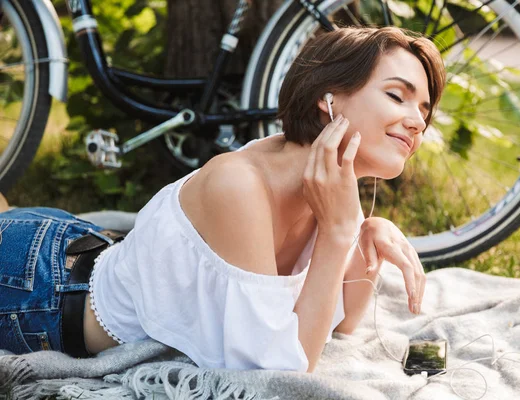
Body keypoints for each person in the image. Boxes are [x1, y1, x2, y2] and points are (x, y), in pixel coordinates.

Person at [0, 26, 445, 373]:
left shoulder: (330, 183)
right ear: (327, 100)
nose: (416, 124)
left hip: (81, 247)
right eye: (396, 96)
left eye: (424, 112)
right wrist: (338, 234)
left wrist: (368, 235)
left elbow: (339, 324)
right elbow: (278, 370)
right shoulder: (241, 184)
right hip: (38, 291)